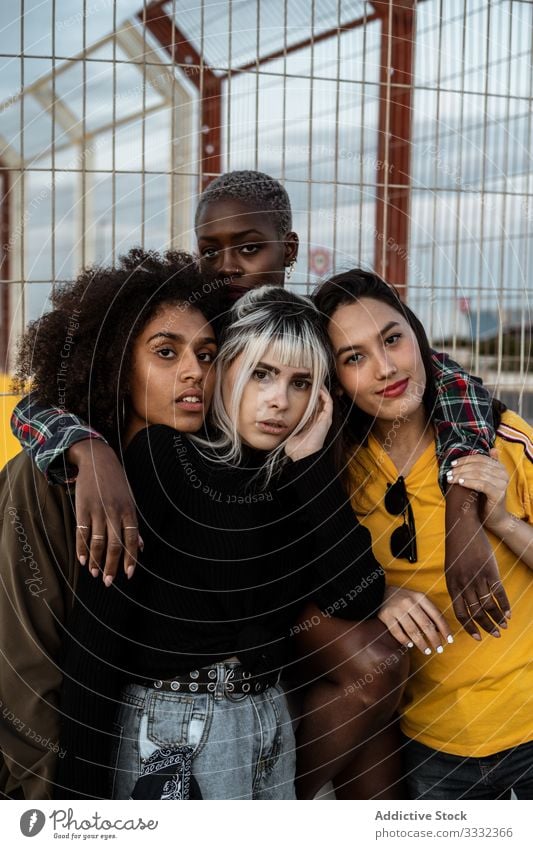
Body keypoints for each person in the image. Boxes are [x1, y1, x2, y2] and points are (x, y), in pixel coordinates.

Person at [9, 171, 504, 799]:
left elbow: (447, 385)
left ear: (288, 249)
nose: (229, 267)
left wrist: (463, 510)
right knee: (365, 665)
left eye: (250, 248)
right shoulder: (186, 336)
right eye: (211, 250)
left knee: (375, 697)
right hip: (217, 615)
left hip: (268, 599)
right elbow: (43, 399)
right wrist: (88, 447)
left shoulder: (324, 331)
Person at [51, 283, 386, 799]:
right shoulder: (163, 457)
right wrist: (80, 806)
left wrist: (312, 462)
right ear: (226, 371)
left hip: (267, 727)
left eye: (301, 383)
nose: (279, 400)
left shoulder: (297, 479)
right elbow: (98, 637)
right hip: (170, 732)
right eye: (262, 374)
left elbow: (362, 594)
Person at [0, 248, 223, 797]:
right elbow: (25, 663)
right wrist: (52, 811)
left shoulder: (205, 468)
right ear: (116, 364)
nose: (195, 370)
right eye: (166, 353)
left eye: (208, 354)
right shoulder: (47, 480)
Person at [313, 268, 533, 799]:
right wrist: (378, 594)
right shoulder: (340, 471)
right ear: (335, 378)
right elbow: (308, 579)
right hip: (432, 746)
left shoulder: (504, 440)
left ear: (416, 334)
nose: (386, 368)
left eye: (392, 339)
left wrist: (501, 520)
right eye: (354, 357)